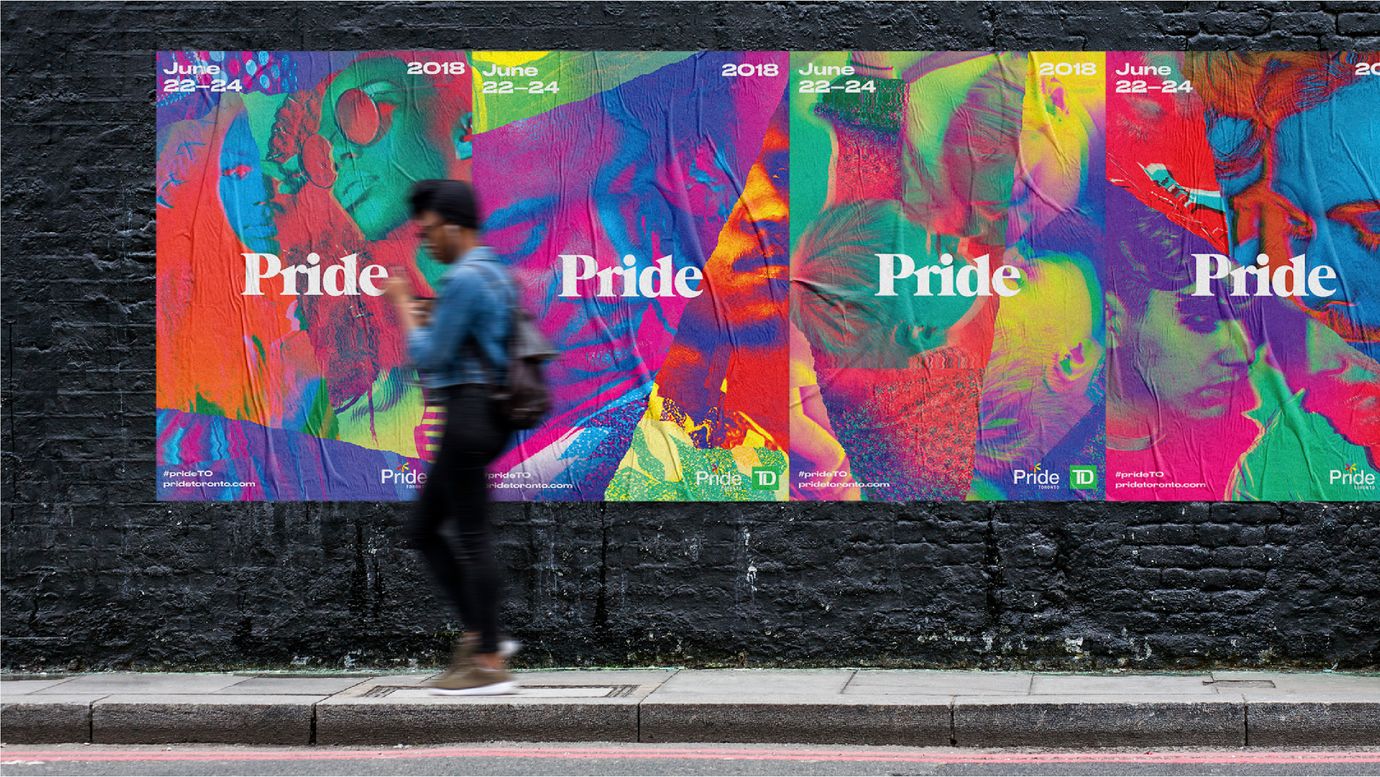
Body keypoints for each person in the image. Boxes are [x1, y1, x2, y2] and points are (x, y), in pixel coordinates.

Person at [384, 179, 516, 695]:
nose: (427, 242)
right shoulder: (493, 274)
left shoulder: (464, 279)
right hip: (483, 416)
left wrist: (400, 303)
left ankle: (487, 656)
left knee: (468, 535)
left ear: (455, 227)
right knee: (426, 529)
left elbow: (431, 357)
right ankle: (482, 637)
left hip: (468, 415)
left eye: (430, 232)